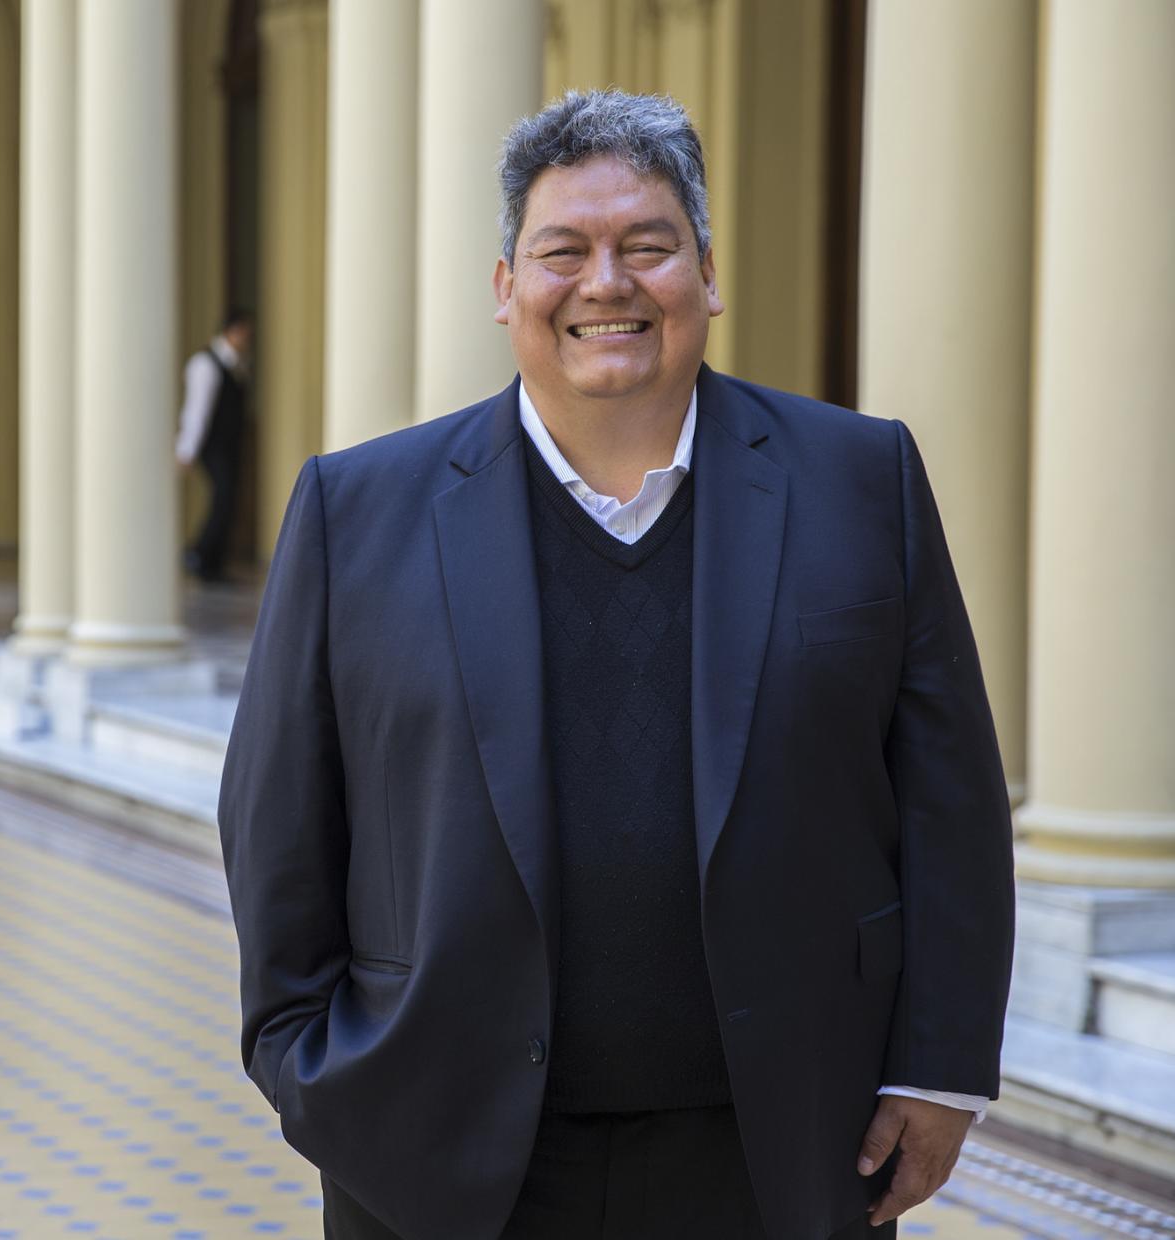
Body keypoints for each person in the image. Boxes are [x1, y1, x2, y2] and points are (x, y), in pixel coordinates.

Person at [218, 91, 1014, 1240]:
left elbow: (951, 797)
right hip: (445, 1161)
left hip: (785, 1148)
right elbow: (277, 817)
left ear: (706, 275)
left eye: (649, 246)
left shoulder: (860, 478)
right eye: (564, 252)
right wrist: (309, 1072)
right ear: (506, 288)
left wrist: (940, 1069)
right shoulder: (359, 509)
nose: (607, 283)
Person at [176, 308, 254, 582]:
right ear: (231, 331)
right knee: (223, 496)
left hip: (229, 444)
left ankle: (213, 561)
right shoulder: (205, 364)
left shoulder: (236, 363)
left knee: (228, 498)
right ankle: (200, 554)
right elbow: (197, 409)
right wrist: (186, 449)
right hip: (213, 445)